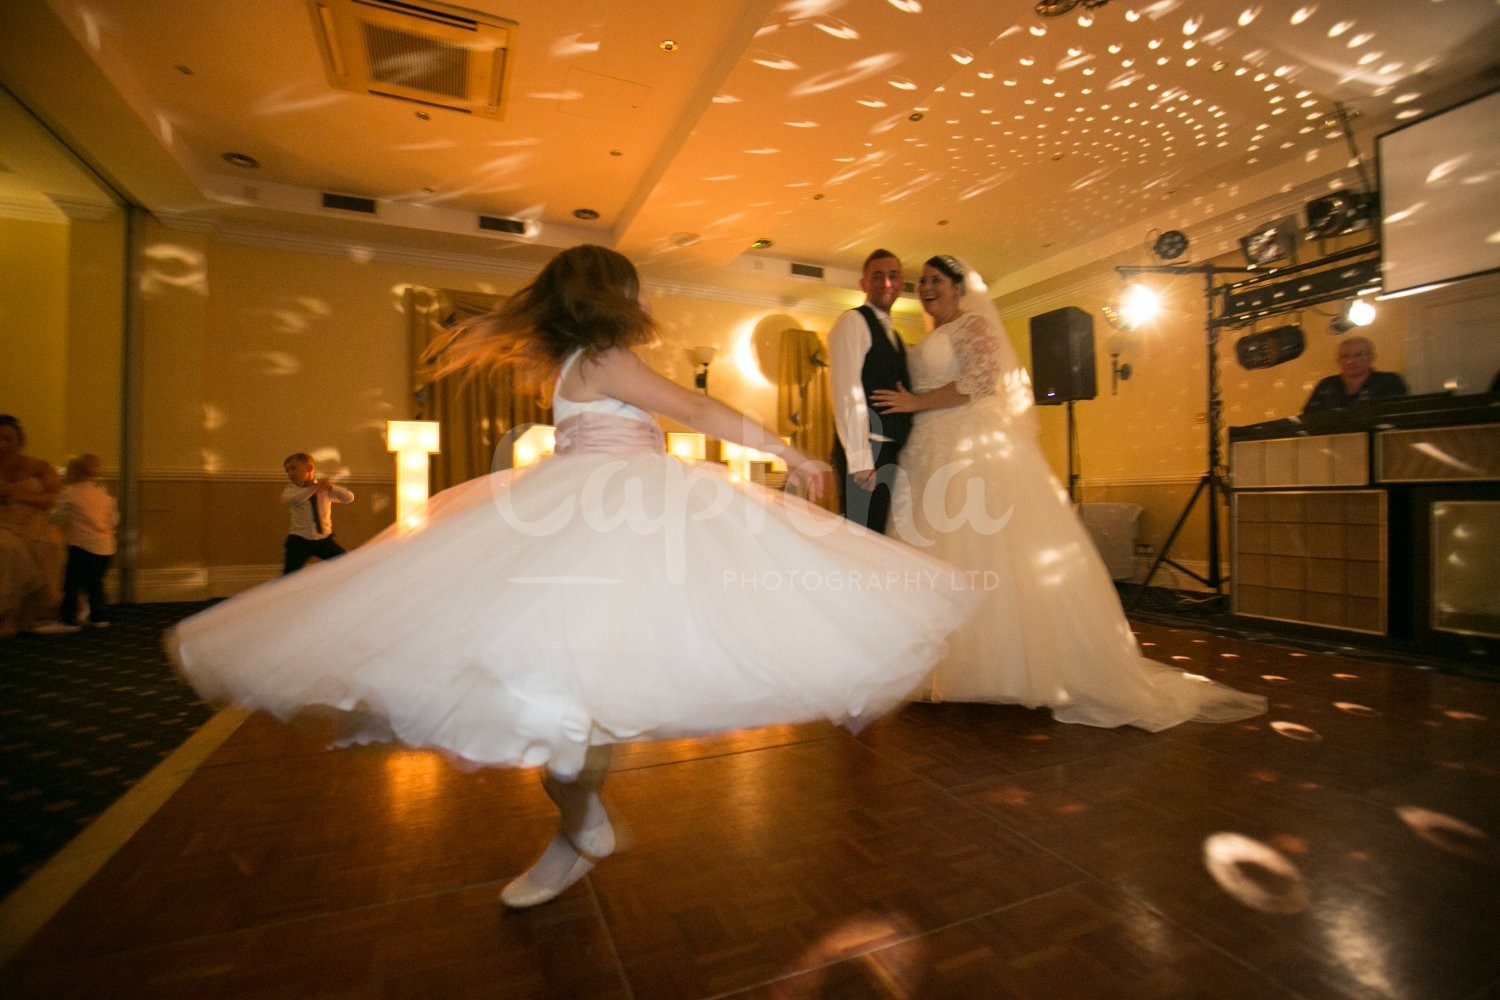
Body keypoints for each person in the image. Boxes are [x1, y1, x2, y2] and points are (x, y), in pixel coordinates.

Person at [167, 245, 975, 909]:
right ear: (611, 298)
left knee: (581, 700)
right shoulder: (604, 358)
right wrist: (792, 452)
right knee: (570, 703)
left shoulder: (575, 364)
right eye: (633, 287)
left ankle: (579, 826)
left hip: (611, 520)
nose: (643, 297)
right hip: (605, 520)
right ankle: (580, 827)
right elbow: (697, 411)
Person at [871, 255, 1266, 730]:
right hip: (928, 448)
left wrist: (915, 401)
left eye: (936, 280)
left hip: (969, 445)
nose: (926, 288)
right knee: (933, 549)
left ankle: (999, 667)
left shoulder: (973, 325)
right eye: (922, 282)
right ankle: (939, 665)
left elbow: (980, 381)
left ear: (958, 288)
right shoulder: (926, 338)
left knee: (982, 548)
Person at [828, 249, 911, 534]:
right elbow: (847, 391)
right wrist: (860, 459)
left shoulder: (894, 336)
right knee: (861, 541)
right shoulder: (853, 321)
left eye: (893, 276)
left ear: (901, 283)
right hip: (868, 453)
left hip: (887, 453)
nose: (886, 283)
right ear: (864, 284)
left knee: (879, 541)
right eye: (877, 276)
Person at [0, 414, 66, 638]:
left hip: (32, 522)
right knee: (7, 548)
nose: (2, 445)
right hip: (4, 523)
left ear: (20, 441)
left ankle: (37, 614)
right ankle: (7, 616)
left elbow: (55, 499)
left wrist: (18, 494)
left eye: (7, 439)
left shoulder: (38, 467)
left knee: (50, 541)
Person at [52, 452, 120, 629]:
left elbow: (58, 516)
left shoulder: (70, 494)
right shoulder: (105, 496)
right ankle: (99, 616)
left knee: (72, 584)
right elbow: (114, 520)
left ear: (72, 473)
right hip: (106, 547)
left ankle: (68, 618)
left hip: (81, 546)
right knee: (95, 583)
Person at [281, 453, 355, 575]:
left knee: (346, 564)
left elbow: (349, 498)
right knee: (288, 577)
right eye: (287, 470)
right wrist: (316, 487)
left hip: (323, 540)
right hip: (299, 540)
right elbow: (296, 499)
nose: (290, 473)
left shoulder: (325, 489)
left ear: (309, 468)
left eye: (293, 468)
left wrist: (331, 487)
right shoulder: (291, 490)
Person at [1301, 336, 1408, 414]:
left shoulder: (1389, 382)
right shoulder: (1326, 385)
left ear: (1371, 357)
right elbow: (1309, 418)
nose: (1350, 361)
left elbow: (1400, 416)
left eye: (1358, 355)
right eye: (1344, 356)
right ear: (1338, 361)